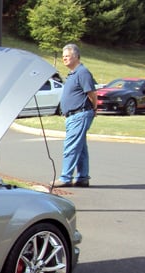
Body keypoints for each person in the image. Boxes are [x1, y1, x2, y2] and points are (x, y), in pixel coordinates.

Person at [54, 43, 97, 189]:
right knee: (80, 148)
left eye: (67, 56)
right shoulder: (73, 73)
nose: (64, 59)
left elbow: (91, 93)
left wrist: (94, 108)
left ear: (76, 56)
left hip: (80, 114)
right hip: (73, 116)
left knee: (71, 147)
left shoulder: (82, 72)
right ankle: (82, 178)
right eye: (63, 56)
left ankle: (66, 178)